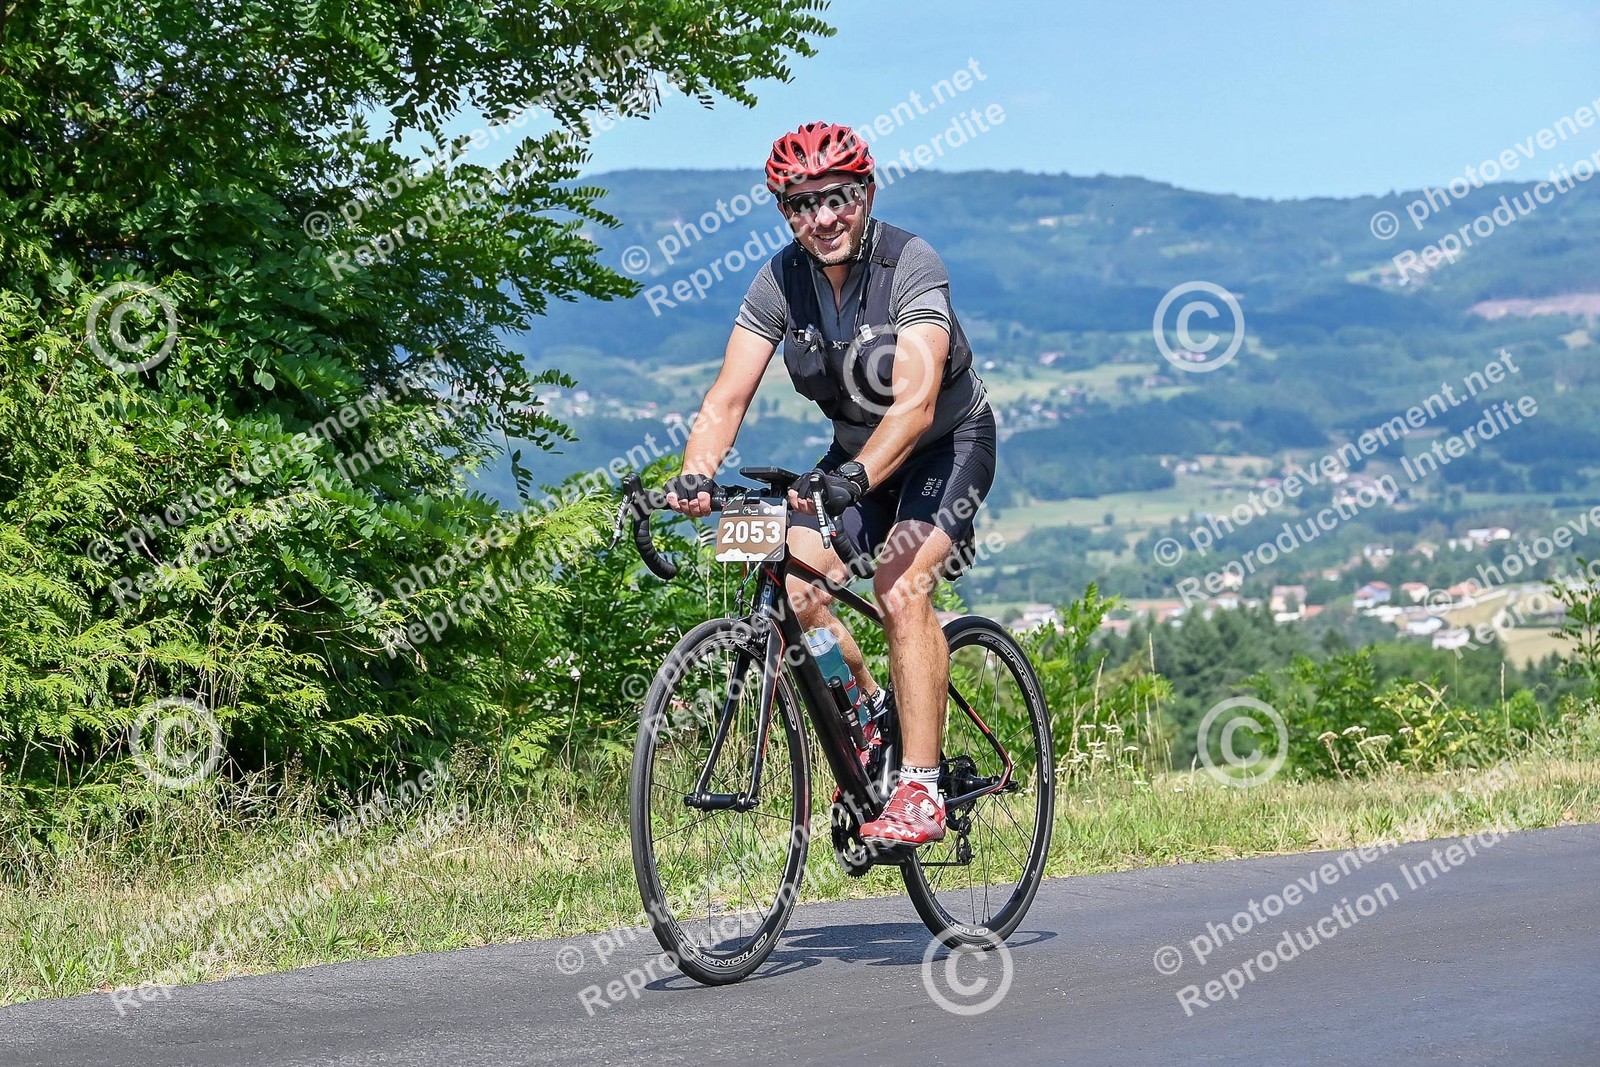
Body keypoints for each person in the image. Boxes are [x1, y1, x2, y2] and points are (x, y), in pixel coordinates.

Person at [663, 121, 996, 846]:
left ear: (866, 193)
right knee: (792, 582)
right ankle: (873, 714)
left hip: (943, 447)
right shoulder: (781, 280)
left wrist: (853, 479)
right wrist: (695, 474)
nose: (822, 218)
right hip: (853, 462)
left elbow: (914, 404)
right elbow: (727, 396)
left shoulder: (910, 263)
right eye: (801, 204)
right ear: (785, 212)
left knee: (900, 588)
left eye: (837, 197)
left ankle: (920, 790)